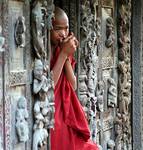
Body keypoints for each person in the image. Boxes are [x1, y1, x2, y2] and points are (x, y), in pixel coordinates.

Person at [50, 7, 99, 150]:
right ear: (48, 28)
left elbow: (73, 85)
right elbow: (49, 85)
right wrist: (63, 54)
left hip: (67, 111)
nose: (63, 34)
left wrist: (65, 55)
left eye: (66, 29)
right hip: (52, 110)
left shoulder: (62, 50)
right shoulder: (45, 50)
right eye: (58, 29)